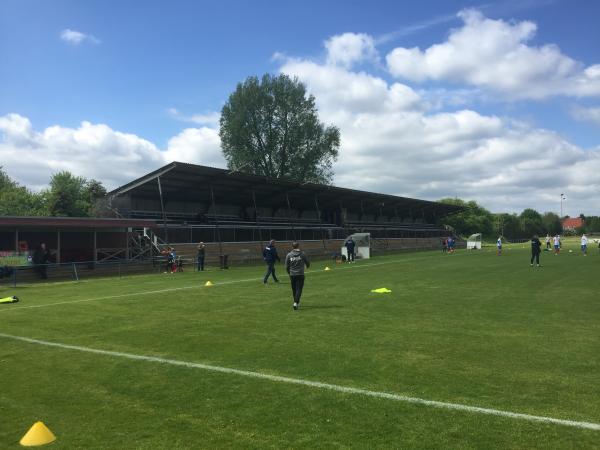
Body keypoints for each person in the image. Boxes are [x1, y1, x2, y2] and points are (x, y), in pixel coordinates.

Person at [285, 241, 310, 310]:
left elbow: (286, 266)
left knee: (294, 289)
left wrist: (289, 273)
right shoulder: (302, 254)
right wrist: (306, 267)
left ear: (292, 247)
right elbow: (308, 263)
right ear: (298, 246)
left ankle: (296, 302)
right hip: (300, 274)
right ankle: (296, 302)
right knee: (299, 289)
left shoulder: (289, 255)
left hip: (292, 274)